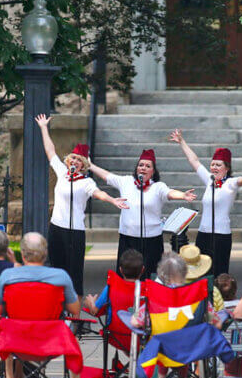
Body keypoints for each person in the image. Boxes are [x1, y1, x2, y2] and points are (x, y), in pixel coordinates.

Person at [35, 115, 129, 296]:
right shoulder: (62, 173)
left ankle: (75, 317)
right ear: (69, 160)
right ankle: (58, 310)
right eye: (74, 158)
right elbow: (50, 151)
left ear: (84, 165)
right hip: (56, 228)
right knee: (57, 270)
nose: (75, 162)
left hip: (75, 231)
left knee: (74, 274)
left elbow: (98, 194)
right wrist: (43, 128)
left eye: (80, 160)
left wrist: (112, 200)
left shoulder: (85, 183)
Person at [0, 232, 84, 378]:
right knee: (72, 327)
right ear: (45, 253)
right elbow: (75, 310)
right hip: (52, 340)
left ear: (22, 253)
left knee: (5, 325)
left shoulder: (8, 276)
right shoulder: (60, 276)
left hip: (16, 341)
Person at [169, 129, 242, 277]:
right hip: (204, 234)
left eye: (218, 165)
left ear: (227, 168)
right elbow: (194, 161)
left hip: (221, 235)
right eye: (213, 164)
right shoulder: (209, 180)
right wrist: (182, 142)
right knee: (200, 272)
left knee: (219, 273)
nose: (214, 168)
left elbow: (241, 180)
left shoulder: (230, 183)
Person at [90, 149, 197, 279]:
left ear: (153, 171)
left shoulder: (158, 187)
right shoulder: (126, 182)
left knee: (149, 276)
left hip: (151, 241)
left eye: (148, 166)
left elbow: (169, 193)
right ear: (136, 169)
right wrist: (90, 165)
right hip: (128, 239)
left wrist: (182, 195)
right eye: (141, 165)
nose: (143, 168)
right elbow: (106, 176)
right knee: (126, 277)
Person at [84, 249, 144, 317]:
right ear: (142, 270)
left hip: (113, 327)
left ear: (120, 270)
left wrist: (91, 302)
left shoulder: (111, 288)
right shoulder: (147, 290)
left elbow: (94, 311)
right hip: (139, 327)